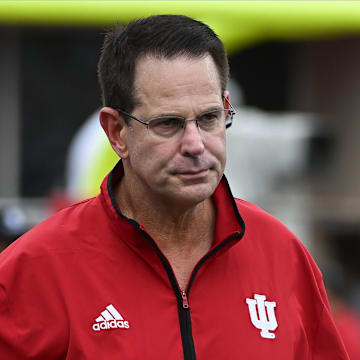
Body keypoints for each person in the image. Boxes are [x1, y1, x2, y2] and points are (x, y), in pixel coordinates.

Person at [0, 15, 349, 360]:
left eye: (210, 118)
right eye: (169, 123)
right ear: (117, 132)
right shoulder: (34, 268)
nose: (195, 144)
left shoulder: (283, 253)